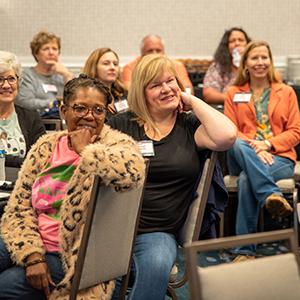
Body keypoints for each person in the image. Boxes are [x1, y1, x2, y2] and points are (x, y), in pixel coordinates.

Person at [0, 74, 145, 299]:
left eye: (98, 110)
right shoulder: (46, 146)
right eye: (80, 108)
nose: (89, 116)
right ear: (63, 110)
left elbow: (133, 174)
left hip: (75, 256)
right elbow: (19, 208)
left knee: (5, 285)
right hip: (34, 241)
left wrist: (85, 152)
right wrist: (32, 255)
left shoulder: (116, 145)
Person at [108, 54, 236, 299]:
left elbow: (227, 136)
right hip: (113, 226)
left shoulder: (188, 126)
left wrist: (192, 100)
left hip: (157, 231)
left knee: (156, 264)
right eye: (156, 85)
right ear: (141, 93)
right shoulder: (122, 124)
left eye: (170, 81)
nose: (166, 89)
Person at [224, 40, 300, 260]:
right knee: (235, 141)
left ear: (271, 61)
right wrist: (255, 148)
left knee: (248, 179)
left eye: (264, 57)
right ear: (245, 63)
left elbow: (296, 132)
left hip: (280, 158)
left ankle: (244, 251)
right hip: (241, 154)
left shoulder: (286, 92)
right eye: (254, 58)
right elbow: (230, 130)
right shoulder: (233, 93)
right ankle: (270, 194)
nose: (260, 62)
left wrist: (267, 144)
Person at [0, 50, 45, 168]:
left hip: (22, 183)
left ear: (18, 82)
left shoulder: (31, 118)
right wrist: (22, 161)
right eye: (0, 79)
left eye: (11, 78)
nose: (6, 85)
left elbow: (41, 157)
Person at [16, 30, 74, 117]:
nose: (51, 53)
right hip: (37, 120)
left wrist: (68, 76)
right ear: (36, 53)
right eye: (46, 49)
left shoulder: (64, 75)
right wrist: (53, 104)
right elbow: (25, 101)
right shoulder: (27, 75)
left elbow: (76, 100)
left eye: (55, 49)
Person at [121, 34, 194, 93]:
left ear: (163, 52)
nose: (154, 54)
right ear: (142, 53)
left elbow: (188, 89)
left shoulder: (177, 66)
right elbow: (129, 91)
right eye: (150, 51)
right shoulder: (130, 67)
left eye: (158, 50)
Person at [203, 27, 251, 105]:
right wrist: (235, 99)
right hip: (225, 108)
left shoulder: (256, 65)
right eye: (232, 41)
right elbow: (209, 95)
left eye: (241, 40)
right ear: (226, 46)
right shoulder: (218, 66)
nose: (237, 43)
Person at [82, 47, 128, 118]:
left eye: (115, 64)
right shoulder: (85, 97)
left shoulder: (123, 94)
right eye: (106, 64)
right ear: (94, 68)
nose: (112, 68)